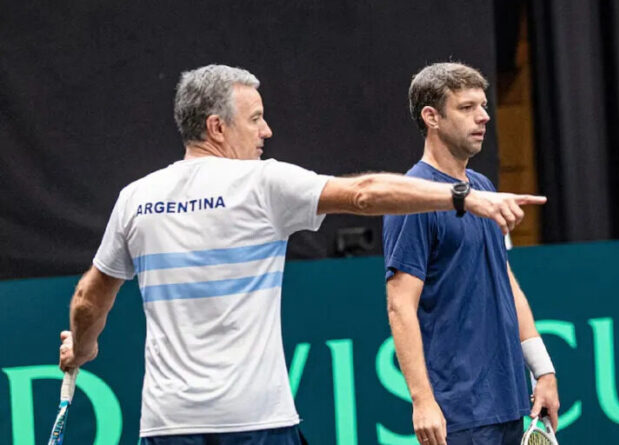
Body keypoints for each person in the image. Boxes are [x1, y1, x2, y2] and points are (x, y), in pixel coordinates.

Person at [57, 64, 545, 445]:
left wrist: (84, 347)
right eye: (255, 119)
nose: (266, 131)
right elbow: (366, 194)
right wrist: (459, 196)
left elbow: (87, 300)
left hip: (165, 426)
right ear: (216, 127)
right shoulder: (262, 183)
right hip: (257, 421)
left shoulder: (135, 198)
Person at [382, 62, 560, 445]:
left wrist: (542, 371)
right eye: (466, 108)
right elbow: (399, 306)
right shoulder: (411, 198)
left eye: (483, 105)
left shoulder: (483, 189)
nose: (483, 117)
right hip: (459, 413)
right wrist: (422, 401)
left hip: (512, 400)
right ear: (432, 117)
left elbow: (506, 282)